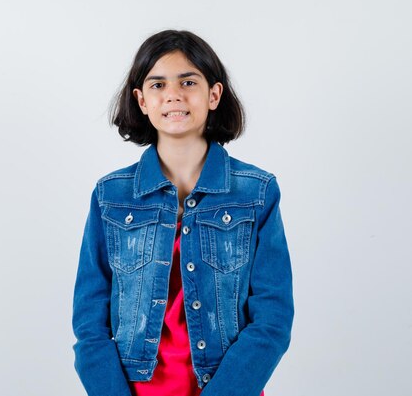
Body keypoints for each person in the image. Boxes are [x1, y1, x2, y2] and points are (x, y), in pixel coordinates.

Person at [72, 29, 294, 396]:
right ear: (141, 101)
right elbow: (89, 322)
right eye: (157, 85)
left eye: (188, 81)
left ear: (214, 94)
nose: (173, 94)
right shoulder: (110, 196)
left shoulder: (256, 192)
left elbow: (273, 320)